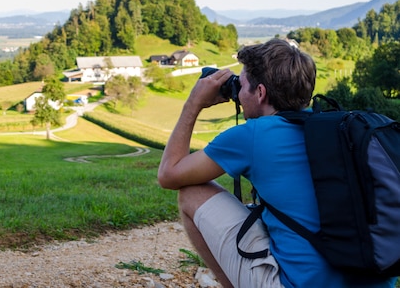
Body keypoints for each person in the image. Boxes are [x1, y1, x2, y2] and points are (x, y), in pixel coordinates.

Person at [157, 39, 396, 288]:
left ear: (260, 93)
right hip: (374, 278)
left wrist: (193, 103)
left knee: (192, 193)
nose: (237, 92)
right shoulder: (334, 130)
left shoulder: (254, 135)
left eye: (242, 84)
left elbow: (169, 175)